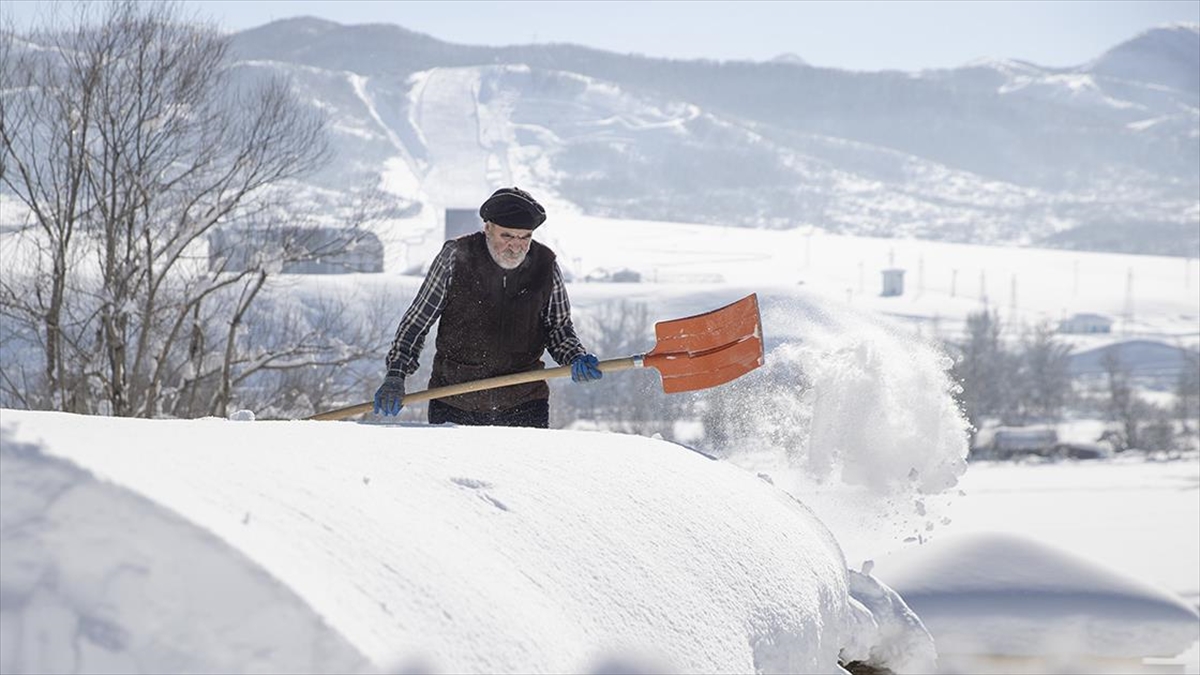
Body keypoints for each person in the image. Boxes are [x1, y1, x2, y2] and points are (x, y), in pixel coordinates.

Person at [373, 187, 602, 428]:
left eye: (524, 238)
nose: (516, 247)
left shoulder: (545, 264)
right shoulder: (456, 257)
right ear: (488, 229)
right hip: (454, 402)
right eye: (507, 237)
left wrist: (574, 356)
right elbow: (417, 323)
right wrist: (396, 374)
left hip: (524, 404)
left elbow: (558, 328)